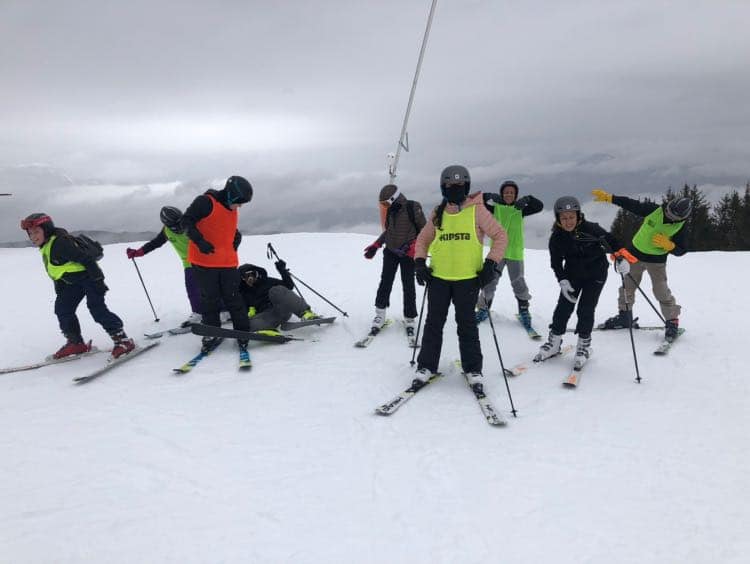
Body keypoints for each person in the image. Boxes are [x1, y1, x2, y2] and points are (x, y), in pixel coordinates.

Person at [412, 165, 508, 388]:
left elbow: (500, 236)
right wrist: (419, 262)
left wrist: (491, 264)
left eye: (459, 185)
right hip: (439, 279)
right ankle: (426, 366)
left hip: (467, 279)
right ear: (443, 187)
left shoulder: (478, 210)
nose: (454, 188)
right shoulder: (438, 212)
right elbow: (423, 239)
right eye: (449, 185)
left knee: (466, 325)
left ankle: (473, 369)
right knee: (433, 323)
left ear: (466, 186)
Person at [20, 213, 135, 359]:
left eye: (36, 232)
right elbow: (58, 269)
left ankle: (123, 340)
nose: (33, 236)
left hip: (90, 279)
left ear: (47, 229)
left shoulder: (60, 244)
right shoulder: (47, 245)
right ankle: (76, 343)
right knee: (63, 308)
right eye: (30, 233)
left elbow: (87, 260)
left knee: (97, 309)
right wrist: (60, 289)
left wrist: (99, 281)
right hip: (73, 283)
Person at [534, 197, 627, 370]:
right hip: (572, 275)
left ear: (578, 215)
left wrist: (621, 258)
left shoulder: (591, 229)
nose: (568, 221)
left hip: (596, 274)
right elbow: (556, 263)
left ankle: (583, 346)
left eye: (571, 217)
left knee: (585, 308)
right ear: (558, 219)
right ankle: (554, 343)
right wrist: (562, 280)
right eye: (564, 218)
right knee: (563, 307)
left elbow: (613, 242)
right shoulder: (557, 237)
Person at [593, 189, 691, 341]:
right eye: (668, 211)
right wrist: (610, 198)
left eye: (672, 216)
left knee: (661, 291)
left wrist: (670, 245)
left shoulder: (681, 227)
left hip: (656, 261)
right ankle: (625, 316)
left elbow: (682, 250)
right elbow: (632, 204)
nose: (667, 215)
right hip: (634, 254)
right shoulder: (655, 210)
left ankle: (672, 322)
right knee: (627, 287)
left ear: (681, 217)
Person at [181, 176, 253, 351]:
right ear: (230, 195)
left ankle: (243, 332)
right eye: (239, 202)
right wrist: (200, 241)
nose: (240, 206)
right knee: (210, 301)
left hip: (227, 262)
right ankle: (212, 333)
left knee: (234, 298)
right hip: (204, 262)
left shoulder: (231, 207)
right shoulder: (205, 202)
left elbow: (224, 225)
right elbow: (186, 221)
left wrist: (237, 235)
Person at [476, 179, 543, 327]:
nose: (508, 195)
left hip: (514, 252)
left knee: (518, 282)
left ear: (516, 195)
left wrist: (528, 199)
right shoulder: (496, 208)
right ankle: (483, 309)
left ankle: (524, 310)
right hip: (497, 252)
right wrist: (489, 196)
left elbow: (539, 206)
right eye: (506, 192)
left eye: (512, 192)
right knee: (490, 281)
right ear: (501, 194)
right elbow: (478, 202)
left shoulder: (521, 209)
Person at [363, 184, 426, 336]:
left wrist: (414, 248)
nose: (384, 206)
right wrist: (376, 245)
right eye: (382, 204)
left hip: (408, 254)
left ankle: (410, 318)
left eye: (385, 203)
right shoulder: (391, 210)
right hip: (391, 251)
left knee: (408, 285)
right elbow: (389, 232)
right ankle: (380, 314)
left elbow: (425, 232)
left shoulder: (413, 207)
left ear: (394, 198)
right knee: (385, 282)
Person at [125, 206, 202, 326]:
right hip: (189, 263)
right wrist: (138, 252)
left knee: (211, 287)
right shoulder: (166, 231)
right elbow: (155, 243)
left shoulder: (193, 224)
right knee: (192, 290)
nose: (179, 227)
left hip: (205, 260)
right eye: (174, 225)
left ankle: (224, 310)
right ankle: (198, 313)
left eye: (180, 223)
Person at [238, 261, 320, 331]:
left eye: (252, 274)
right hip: (267, 317)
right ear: (242, 279)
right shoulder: (243, 292)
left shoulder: (267, 281)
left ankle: (306, 313)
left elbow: (289, 286)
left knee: (276, 290)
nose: (250, 278)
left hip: (281, 308)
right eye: (246, 276)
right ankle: (268, 330)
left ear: (257, 273)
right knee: (245, 324)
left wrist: (282, 271)